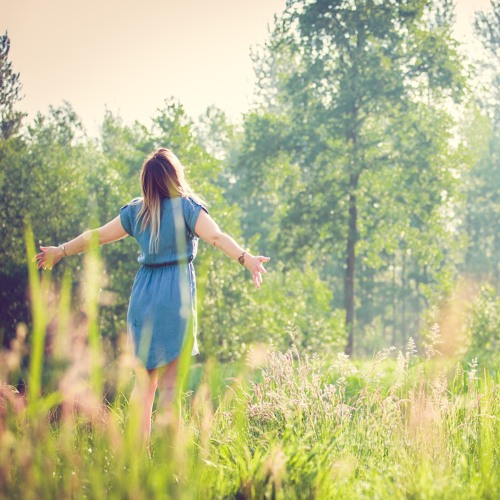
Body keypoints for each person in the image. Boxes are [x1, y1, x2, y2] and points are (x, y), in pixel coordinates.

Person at [34, 147, 270, 448]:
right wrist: (245, 258)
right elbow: (215, 237)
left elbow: (96, 236)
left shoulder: (136, 212)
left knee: (144, 387)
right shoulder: (187, 207)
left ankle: (138, 457)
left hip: (143, 297)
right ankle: (170, 459)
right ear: (175, 176)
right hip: (175, 298)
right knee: (170, 389)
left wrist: (61, 250)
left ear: (146, 181)